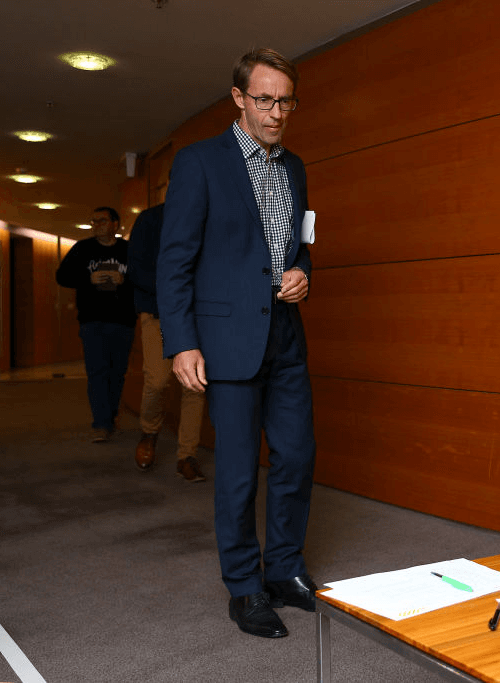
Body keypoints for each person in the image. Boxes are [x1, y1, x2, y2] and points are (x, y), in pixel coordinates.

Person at [157, 48, 317, 639]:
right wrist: (181, 342)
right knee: (239, 473)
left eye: (286, 101)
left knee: (297, 457)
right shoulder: (200, 163)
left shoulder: (295, 167)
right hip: (225, 339)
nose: (277, 113)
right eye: (265, 100)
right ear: (239, 99)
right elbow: (174, 262)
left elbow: (301, 242)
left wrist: (303, 271)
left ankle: (283, 569)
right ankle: (245, 588)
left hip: (285, 334)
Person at [127, 202, 207, 482]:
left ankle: (187, 455)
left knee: (195, 385)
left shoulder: (207, 214)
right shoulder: (150, 218)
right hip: (159, 312)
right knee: (157, 380)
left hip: (200, 314)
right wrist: (177, 290)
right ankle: (149, 432)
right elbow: (135, 269)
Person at [56, 207, 137, 443]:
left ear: (115, 224)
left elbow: (145, 279)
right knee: (97, 372)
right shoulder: (83, 249)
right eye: (94, 221)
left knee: (117, 373)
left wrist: (125, 280)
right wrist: (87, 278)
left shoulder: (129, 250)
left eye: (102, 220)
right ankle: (101, 424)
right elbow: (61, 276)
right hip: (92, 322)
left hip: (123, 321)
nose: (97, 224)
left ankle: (110, 416)